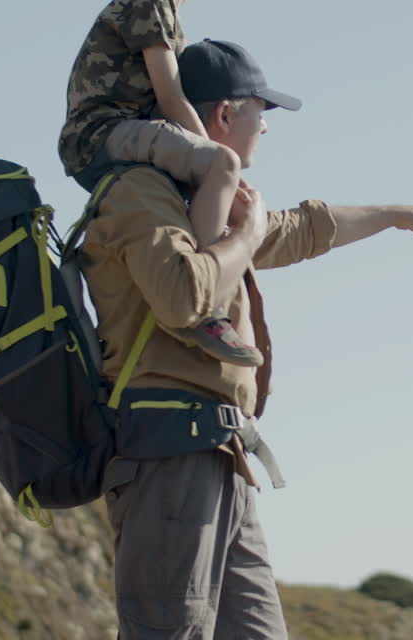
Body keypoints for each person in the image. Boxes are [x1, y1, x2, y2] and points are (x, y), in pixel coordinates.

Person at [82, 39, 413, 640]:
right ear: (227, 114)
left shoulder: (211, 197)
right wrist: (247, 229)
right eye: (262, 113)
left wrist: (394, 215)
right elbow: (182, 296)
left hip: (225, 457)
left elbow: (297, 231)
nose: (266, 127)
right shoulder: (138, 191)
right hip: (166, 451)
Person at [59, 0, 263, 367]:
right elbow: (170, 97)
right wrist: (224, 170)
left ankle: (194, 289)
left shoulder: (164, 9)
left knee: (215, 169)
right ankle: (204, 306)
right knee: (221, 161)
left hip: (117, 133)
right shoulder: (150, 2)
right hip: (101, 135)